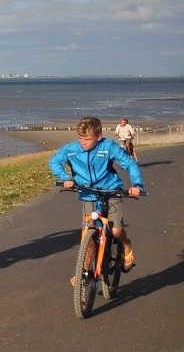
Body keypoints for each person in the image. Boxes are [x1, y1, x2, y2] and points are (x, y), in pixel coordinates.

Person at [50, 116, 144, 273]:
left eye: (87, 139)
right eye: (80, 138)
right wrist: (66, 178)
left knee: (115, 231)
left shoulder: (108, 146)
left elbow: (130, 164)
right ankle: (84, 273)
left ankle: (126, 244)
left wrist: (136, 185)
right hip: (88, 193)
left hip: (111, 191)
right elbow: (54, 162)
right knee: (89, 236)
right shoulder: (71, 150)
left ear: (98, 136)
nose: (83, 142)